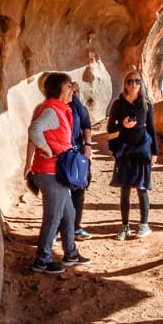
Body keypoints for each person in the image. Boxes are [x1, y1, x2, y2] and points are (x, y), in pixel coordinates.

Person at [25, 72, 92, 273]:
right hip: (49, 172)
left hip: (57, 172)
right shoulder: (52, 110)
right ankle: (42, 260)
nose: (72, 89)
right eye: (68, 86)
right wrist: (45, 149)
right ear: (58, 89)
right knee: (53, 216)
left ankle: (70, 253)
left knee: (69, 214)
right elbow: (34, 130)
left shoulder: (61, 110)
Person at [106, 71, 158, 240]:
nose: (134, 84)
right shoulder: (117, 104)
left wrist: (155, 152)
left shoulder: (146, 104)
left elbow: (151, 128)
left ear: (140, 84)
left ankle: (144, 225)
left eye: (137, 81)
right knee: (125, 189)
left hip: (142, 149)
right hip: (125, 150)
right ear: (125, 84)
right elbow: (109, 128)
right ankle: (125, 226)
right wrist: (122, 125)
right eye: (130, 81)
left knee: (142, 188)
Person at [68, 81, 94, 239]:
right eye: (71, 89)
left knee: (78, 189)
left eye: (75, 90)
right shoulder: (58, 105)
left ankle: (75, 227)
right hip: (64, 153)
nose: (74, 93)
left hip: (77, 151)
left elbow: (86, 125)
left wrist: (88, 145)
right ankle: (61, 229)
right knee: (64, 191)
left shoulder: (78, 107)